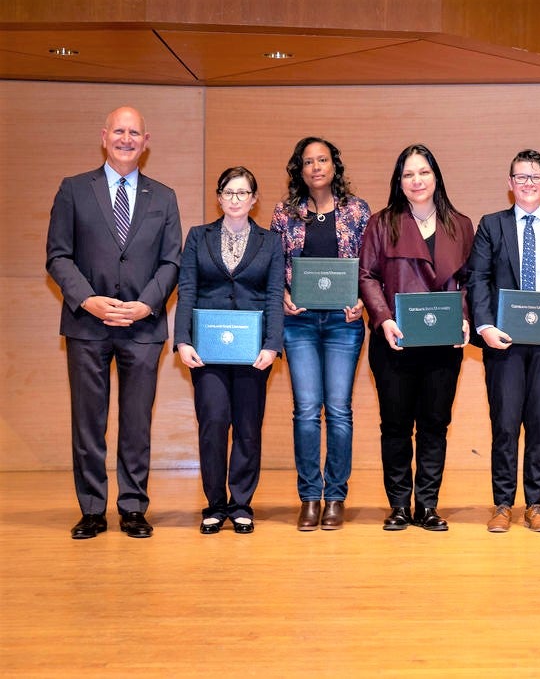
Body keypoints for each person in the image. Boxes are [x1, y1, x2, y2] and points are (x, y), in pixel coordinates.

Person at [46, 106, 182, 539]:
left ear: (146, 141)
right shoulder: (73, 190)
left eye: (134, 133)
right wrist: (87, 300)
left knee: (136, 421)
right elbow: (57, 255)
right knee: (88, 421)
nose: (127, 139)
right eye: (119, 131)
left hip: (142, 328)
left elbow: (172, 261)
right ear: (104, 137)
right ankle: (91, 509)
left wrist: (145, 305)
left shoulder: (164, 197)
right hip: (87, 325)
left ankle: (133, 507)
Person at [467, 149, 540, 533]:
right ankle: (503, 504)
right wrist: (484, 326)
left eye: (535, 177)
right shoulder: (491, 225)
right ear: (510, 184)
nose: (529, 183)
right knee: (504, 424)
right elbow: (478, 279)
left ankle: (535, 504)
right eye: (521, 177)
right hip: (504, 341)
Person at [359, 145, 474, 532]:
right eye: (408, 174)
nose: (417, 180)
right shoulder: (381, 223)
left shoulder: (460, 224)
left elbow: (471, 282)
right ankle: (398, 506)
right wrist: (383, 318)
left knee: (434, 424)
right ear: (399, 181)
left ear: (436, 177)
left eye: (423, 172)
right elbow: (367, 276)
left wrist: (464, 317)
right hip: (396, 340)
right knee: (394, 425)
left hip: (443, 344)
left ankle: (427, 505)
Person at [174, 166, 284, 535]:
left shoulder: (270, 242)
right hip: (207, 350)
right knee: (214, 423)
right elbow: (187, 288)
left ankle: (241, 504)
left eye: (243, 193)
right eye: (229, 192)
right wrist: (182, 340)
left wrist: (272, 345)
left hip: (254, 352)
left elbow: (272, 297)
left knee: (249, 427)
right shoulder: (197, 237)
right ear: (219, 197)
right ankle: (214, 504)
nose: (236, 199)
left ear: (254, 200)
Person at [270, 137, 370, 531]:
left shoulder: (358, 210)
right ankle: (310, 496)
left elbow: (371, 265)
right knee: (307, 411)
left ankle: (336, 497)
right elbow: (273, 264)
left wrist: (361, 297)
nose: (316, 167)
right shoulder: (285, 213)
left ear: (334, 165)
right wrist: (283, 295)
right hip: (300, 323)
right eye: (308, 161)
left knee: (340, 411)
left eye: (322, 159)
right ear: (300, 169)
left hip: (344, 324)